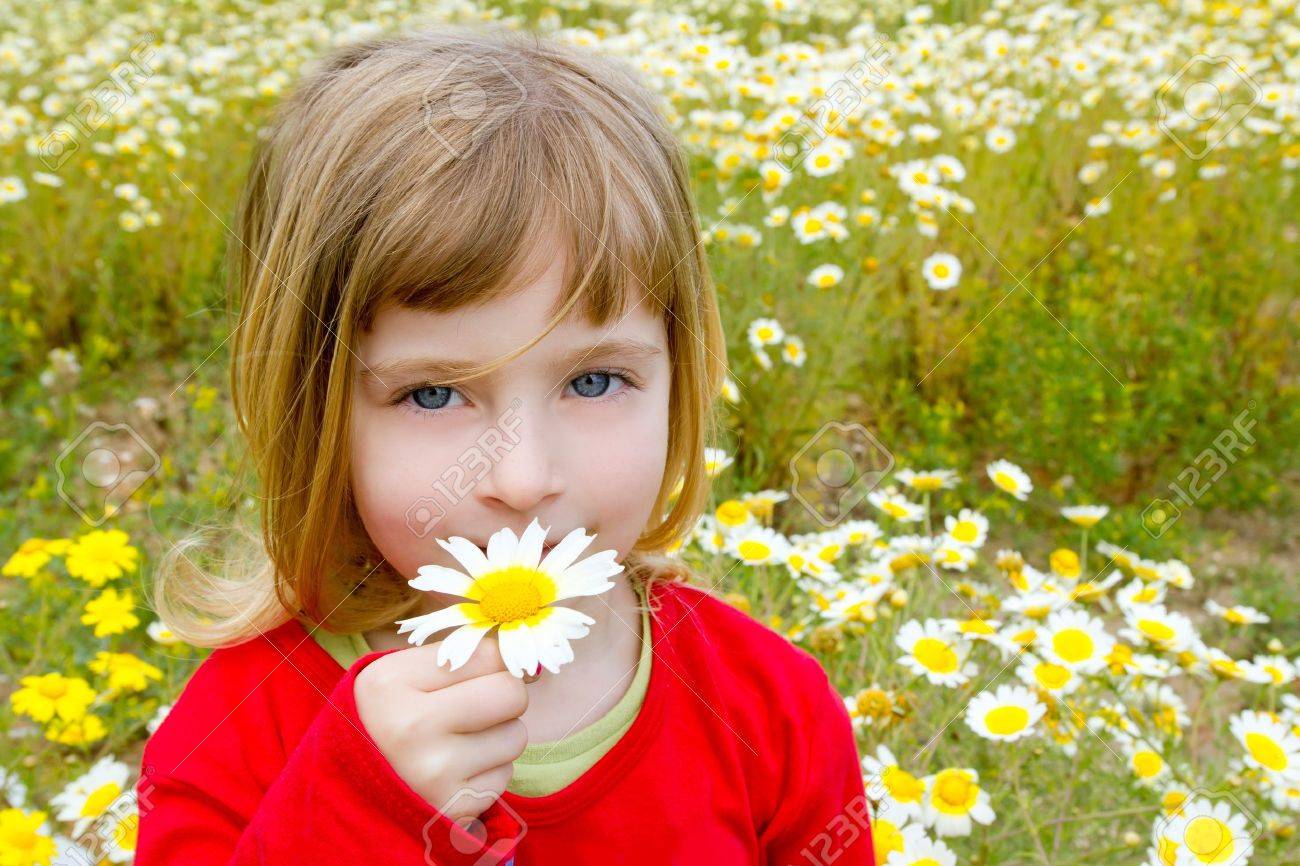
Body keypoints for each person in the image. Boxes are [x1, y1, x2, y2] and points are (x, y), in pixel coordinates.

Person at [136, 22, 874, 865]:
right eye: (434, 393)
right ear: (316, 416)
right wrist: (358, 810)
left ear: (682, 378)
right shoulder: (237, 734)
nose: (522, 479)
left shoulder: (773, 713)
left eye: (594, 381)